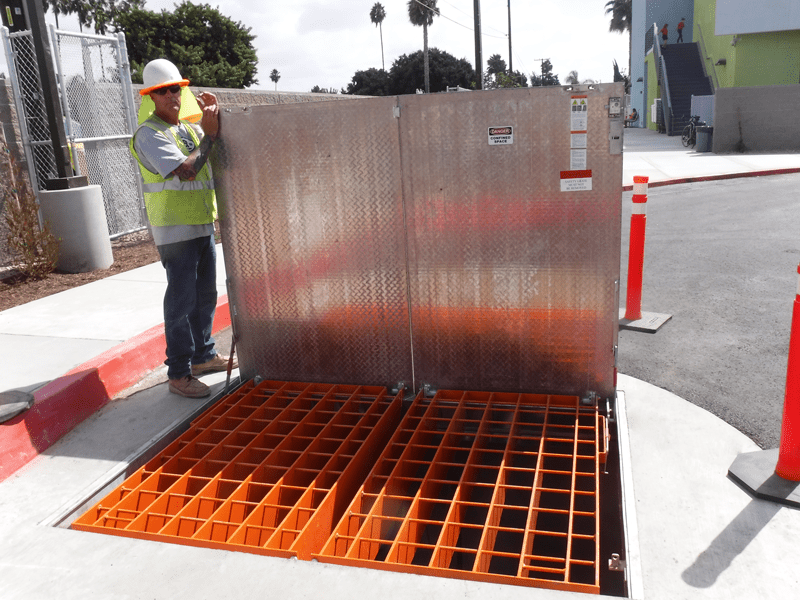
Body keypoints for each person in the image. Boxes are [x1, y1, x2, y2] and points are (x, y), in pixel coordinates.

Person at [130, 59, 236, 398]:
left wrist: (212, 125)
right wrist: (211, 133)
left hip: (200, 223)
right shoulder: (149, 134)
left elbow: (210, 155)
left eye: (175, 88)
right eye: (161, 91)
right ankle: (178, 373)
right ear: (150, 96)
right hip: (174, 229)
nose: (171, 95)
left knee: (204, 295)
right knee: (180, 300)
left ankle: (202, 357)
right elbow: (187, 170)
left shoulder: (188, 129)